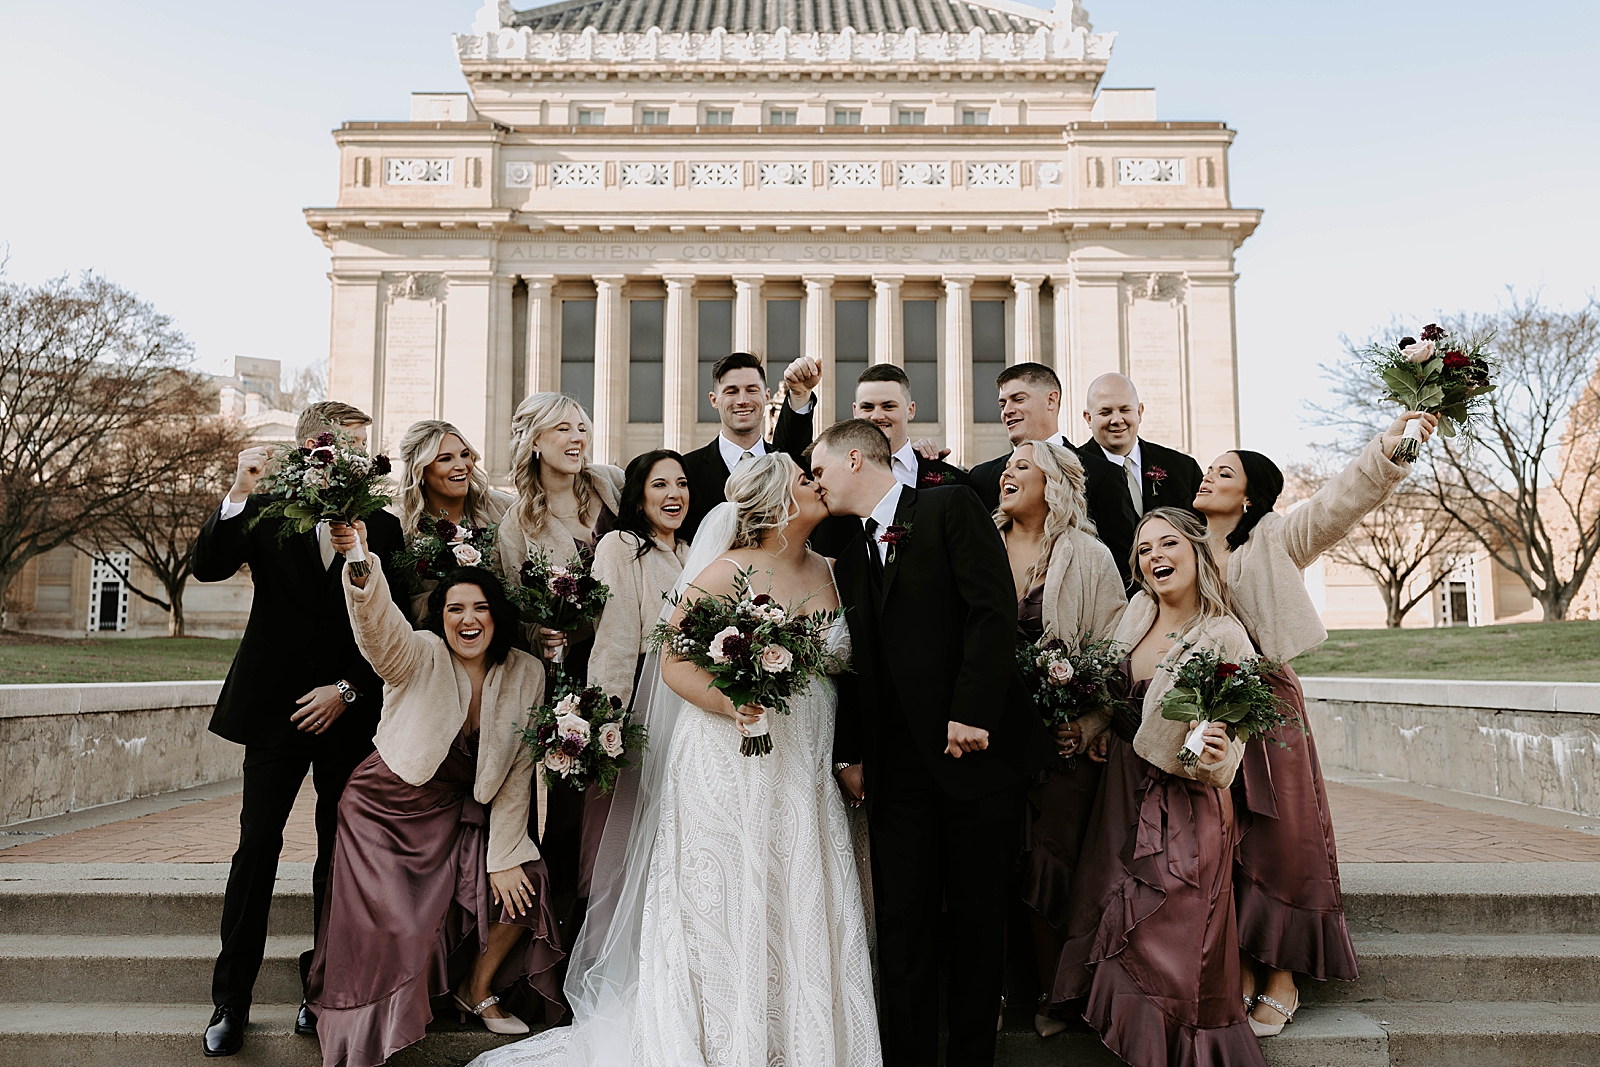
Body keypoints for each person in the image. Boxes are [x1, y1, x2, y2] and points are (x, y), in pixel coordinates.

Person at [467, 453, 879, 1067]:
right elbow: (674, 661)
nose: (817, 483)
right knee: (728, 893)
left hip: (805, 760)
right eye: (805, 478)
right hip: (727, 755)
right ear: (778, 501)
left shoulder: (838, 571)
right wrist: (731, 701)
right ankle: (720, 1039)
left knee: (796, 889)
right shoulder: (725, 571)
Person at [809, 419, 1049, 1067]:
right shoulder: (848, 553)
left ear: (854, 458)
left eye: (821, 469)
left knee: (976, 925)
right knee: (903, 929)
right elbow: (856, 664)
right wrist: (851, 752)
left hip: (975, 758)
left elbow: (991, 611)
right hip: (896, 774)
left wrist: (971, 711)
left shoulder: (948, 507)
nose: (816, 482)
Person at [1191, 411, 1437, 1036]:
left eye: (1224, 473)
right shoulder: (1183, 548)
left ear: (1250, 497)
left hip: (1268, 703)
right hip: (1205, 706)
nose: (1208, 476)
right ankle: (1244, 961)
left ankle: (1283, 976)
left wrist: (1392, 447)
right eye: (1209, 469)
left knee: (1282, 834)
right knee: (1223, 835)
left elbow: (1337, 504)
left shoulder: (1275, 537)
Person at [194, 401, 410, 1057]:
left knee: (337, 856)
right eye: (342, 444)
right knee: (256, 848)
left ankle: (321, 992)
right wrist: (238, 489)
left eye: (361, 446)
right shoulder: (263, 510)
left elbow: (398, 624)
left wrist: (347, 689)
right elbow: (208, 566)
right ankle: (230, 1002)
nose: (353, 456)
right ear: (309, 448)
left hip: (349, 714)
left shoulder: (381, 525)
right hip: (273, 712)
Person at [309, 531, 562, 1067]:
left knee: (528, 881)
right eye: (455, 609)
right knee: (404, 925)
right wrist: (359, 562)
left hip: (459, 809)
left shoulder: (527, 671)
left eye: (480, 608)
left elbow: (518, 771)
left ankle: (476, 988)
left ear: (496, 615)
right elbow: (380, 634)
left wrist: (503, 856)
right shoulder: (419, 653)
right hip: (384, 809)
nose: (468, 620)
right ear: (441, 617)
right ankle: (375, 1021)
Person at [1052, 508, 1266, 1067]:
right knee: (1113, 918)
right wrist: (1091, 728)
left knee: (1170, 943)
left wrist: (1215, 755)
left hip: (1185, 808)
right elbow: (1117, 700)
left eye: (1168, 544)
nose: (1155, 557)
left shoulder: (1225, 635)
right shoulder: (1136, 614)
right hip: (1118, 794)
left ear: (1196, 551)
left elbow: (1232, 748)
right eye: (1144, 550)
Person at [993, 439, 1126, 1038]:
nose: (1007, 473)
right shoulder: (979, 543)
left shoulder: (1089, 555)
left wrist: (1091, 723)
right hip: (987, 740)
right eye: (1006, 466)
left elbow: (1114, 648)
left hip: (1062, 744)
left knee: (1052, 862)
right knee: (995, 862)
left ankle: (1057, 994)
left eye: (1022, 466)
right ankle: (1000, 991)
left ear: (1055, 484)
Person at [494, 393, 626, 940]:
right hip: (567, 677)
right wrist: (539, 633)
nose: (577, 439)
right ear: (534, 441)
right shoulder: (517, 524)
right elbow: (510, 609)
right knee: (570, 811)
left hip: (630, 661)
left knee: (626, 798)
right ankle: (562, 937)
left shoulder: (611, 484)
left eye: (581, 428)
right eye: (563, 430)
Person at [575, 450, 690, 923]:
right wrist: (609, 721)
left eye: (681, 483)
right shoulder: (621, 545)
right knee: (624, 830)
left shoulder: (691, 551)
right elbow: (615, 638)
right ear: (639, 497)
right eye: (660, 484)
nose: (674, 494)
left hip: (688, 707)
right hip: (640, 703)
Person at [812, 363, 970, 556]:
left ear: (910, 410)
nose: (877, 416)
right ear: (855, 411)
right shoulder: (829, 484)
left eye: (888, 406)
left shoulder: (953, 482)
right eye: (867, 407)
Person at [1074, 373, 1204, 590]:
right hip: (1105, 594)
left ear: (1140, 412)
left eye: (1125, 410)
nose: (1117, 420)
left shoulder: (1182, 467)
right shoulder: (1072, 473)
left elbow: (1203, 533)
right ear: (1088, 418)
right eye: (1105, 412)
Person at [677, 351, 821, 542]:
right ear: (714, 400)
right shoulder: (686, 471)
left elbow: (797, 443)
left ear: (767, 396)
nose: (742, 400)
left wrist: (799, 393)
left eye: (752, 390)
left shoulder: (791, 466)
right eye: (731, 391)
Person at [392, 419, 515, 622]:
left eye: (465, 455)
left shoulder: (505, 509)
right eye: (445, 459)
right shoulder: (399, 527)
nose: (461, 466)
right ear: (420, 469)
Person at [959, 362, 1074, 513]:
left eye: (1018, 399)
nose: (1006, 411)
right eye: (1002, 405)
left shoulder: (1097, 472)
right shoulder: (982, 478)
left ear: (1051, 400)